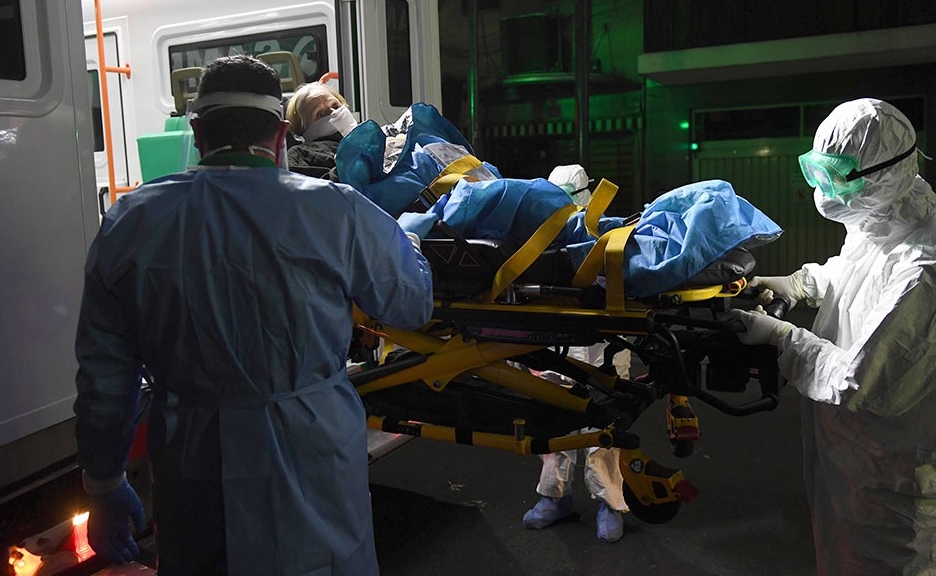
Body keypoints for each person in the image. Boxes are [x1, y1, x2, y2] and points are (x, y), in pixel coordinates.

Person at [74, 54, 434, 575]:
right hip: (312, 452)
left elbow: (106, 377)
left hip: (193, 460)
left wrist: (104, 483)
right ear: (282, 134)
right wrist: (408, 241)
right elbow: (411, 304)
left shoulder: (133, 221)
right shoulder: (337, 210)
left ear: (198, 132)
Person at [731, 98, 936, 574]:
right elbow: (859, 272)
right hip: (859, 474)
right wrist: (801, 283)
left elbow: (863, 382)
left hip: (905, 506)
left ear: (883, 173)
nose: (822, 190)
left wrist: (782, 338)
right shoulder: (887, 215)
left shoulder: (934, 272)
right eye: (817, 172)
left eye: (836, 176)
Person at [521, 164, 631, 544]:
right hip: (557, 345)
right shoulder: (541, 238)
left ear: (586, 196)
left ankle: (609, 503)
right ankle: (555, 497)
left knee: (604, 429)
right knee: (554, 421)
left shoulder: (608, 235)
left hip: (603, 345)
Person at [284, 81, 359, 179]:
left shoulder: (372, 138)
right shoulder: (301, 155)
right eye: (320, 114)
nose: (334, 113)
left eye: (336, 106)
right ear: (301, 131)